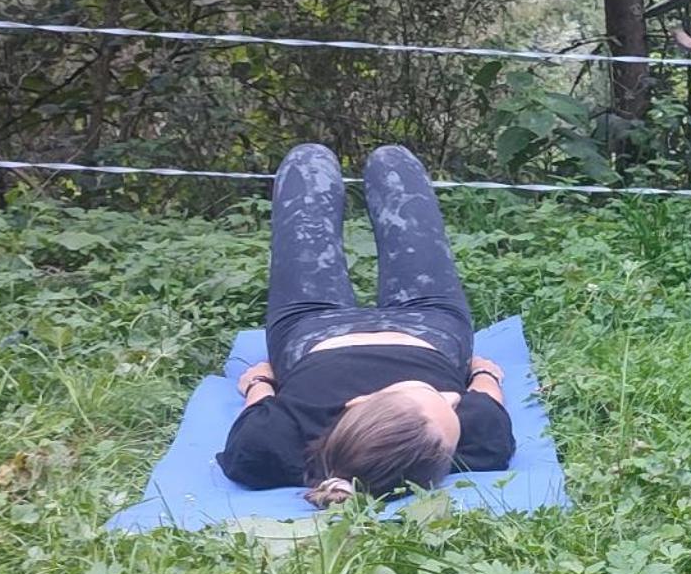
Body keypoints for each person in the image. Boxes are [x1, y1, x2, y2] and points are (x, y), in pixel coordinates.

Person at [218, 142, 515, 503]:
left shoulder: (269, 448)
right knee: (393, 162)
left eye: (433, 393)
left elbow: (256, 407)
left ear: (359, 402)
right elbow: (486, 386)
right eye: (453, 404)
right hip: (430, 324)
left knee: (307, 161)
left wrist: (260, 381)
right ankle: (386, 160)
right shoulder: (478, 441)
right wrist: (484, 373)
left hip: (310, 328)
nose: (454, 395)